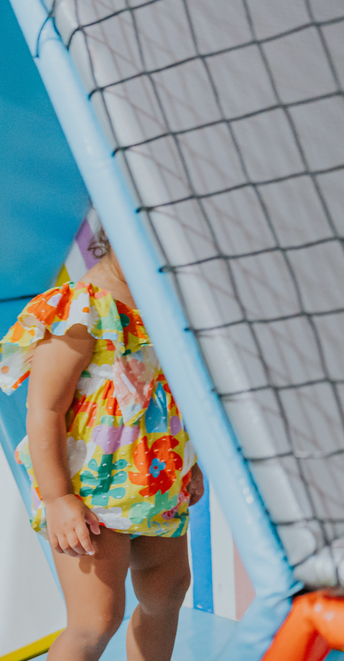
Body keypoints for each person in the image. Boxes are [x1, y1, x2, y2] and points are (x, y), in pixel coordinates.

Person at [0, 230, 201, 661]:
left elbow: (167, 396)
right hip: (90, 493)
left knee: (166, 595)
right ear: (114, 232)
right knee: (96, 620)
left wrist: (190, 463)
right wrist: (58, 499)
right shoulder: (83, 307)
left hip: (158, 480)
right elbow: (45, 409)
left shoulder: (165, 305)